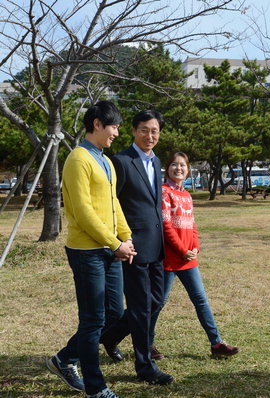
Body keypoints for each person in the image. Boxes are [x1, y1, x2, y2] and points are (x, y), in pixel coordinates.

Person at [47, 100, 136, 398]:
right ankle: (95, 389)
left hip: (111, 250)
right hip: (87, 252)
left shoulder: (106, 161)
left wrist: (126, 237)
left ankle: (64, 358)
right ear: (97, 124)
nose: (117, 133)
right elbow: (84, 212)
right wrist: (115, 244)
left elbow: (114, 204)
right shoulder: (78, 159)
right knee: (92, 320)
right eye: (114, 126)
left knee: (112, 315)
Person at [100, 109, 173, 385]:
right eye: (144, 130)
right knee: (141, 307)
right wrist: (119, 241)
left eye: (154, 131)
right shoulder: (120, 161)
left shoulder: (156, 162)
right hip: (132, 246)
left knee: (155, 301)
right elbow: (112, 205)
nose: (150, 136)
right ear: (133, 130)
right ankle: (144, 366)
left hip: (156, 245)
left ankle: (110, 336)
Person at [148, 152, 240, 359]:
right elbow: (166, 226)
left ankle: (216, 344)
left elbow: (192, 225)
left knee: (201, 300)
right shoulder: (164, 192)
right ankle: (146, 344)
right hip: (170, 259)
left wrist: (195, 247)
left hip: (189, 260)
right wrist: (182, 250)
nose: (178, 168)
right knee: (158, 302)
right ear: (167, 168)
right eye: (174, 165)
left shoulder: (187, 195)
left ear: (188, 170)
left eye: (182, 166)